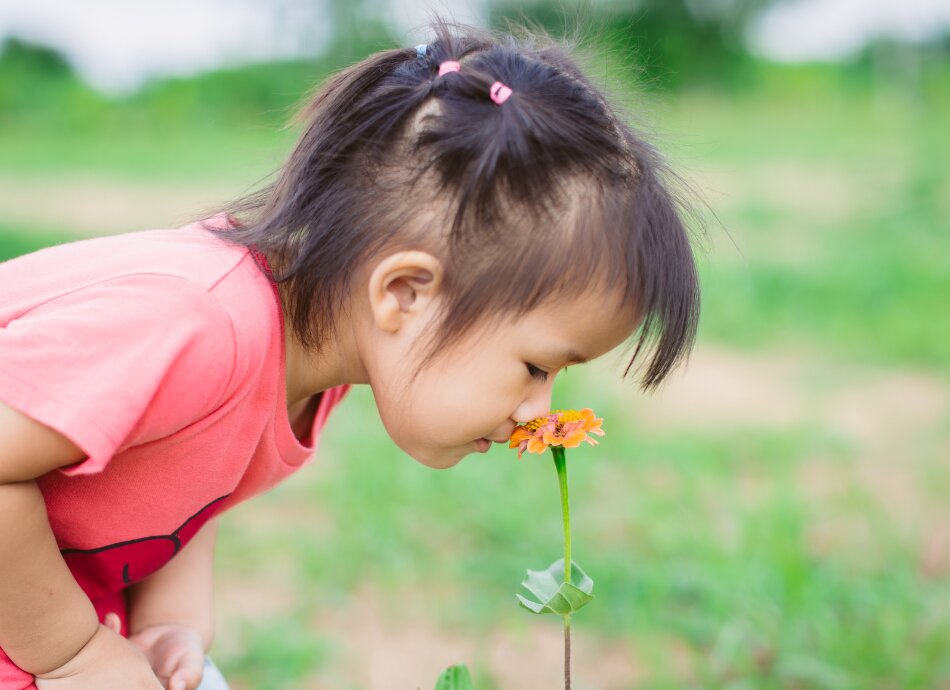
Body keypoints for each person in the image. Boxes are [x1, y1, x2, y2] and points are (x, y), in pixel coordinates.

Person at [0, 16, 701, 690]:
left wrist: (170, 621)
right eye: (536, 366)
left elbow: (185, 476)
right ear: (404, 293)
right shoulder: (198, 325)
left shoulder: (305, 356)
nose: (538, 413)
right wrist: (75, 657)